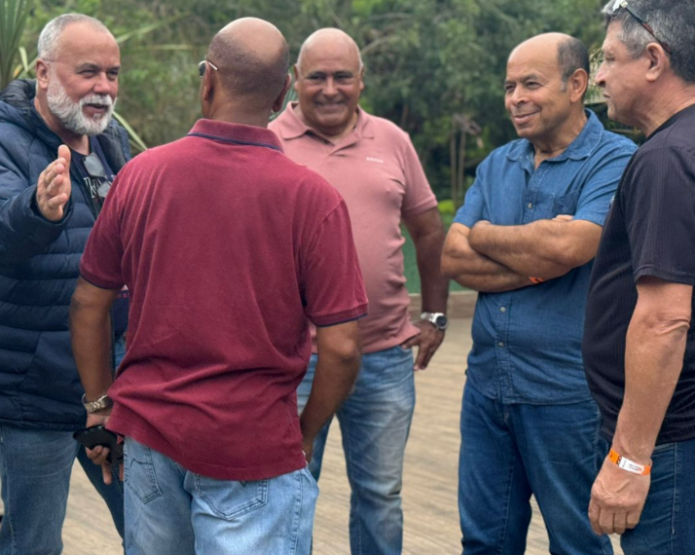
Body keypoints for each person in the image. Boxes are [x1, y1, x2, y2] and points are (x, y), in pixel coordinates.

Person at [70, 17, 367, 555]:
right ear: (282, 93)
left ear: (207, 80)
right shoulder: (313, 199)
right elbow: (343, 347)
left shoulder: (140, 177)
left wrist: (99, 406)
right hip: (255, 447)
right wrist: (305, 433)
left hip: (150, 440)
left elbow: (88, 304)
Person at [440, 33, 636, 555]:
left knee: (576, 544)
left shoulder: (616, 160)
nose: (516, 99)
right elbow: (453, 257)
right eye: (509, 87)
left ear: (577, 84)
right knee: (484, 541)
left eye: (531, 84)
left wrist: (483, 234)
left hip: (566, 394)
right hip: (486, 388)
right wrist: (535, 263)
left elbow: (570, 246)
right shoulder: (497, 164)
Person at [0, 13, 130, 554]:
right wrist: (34, 209)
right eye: (88, 72)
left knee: (153, 530)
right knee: (34, 543)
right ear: (44, 72)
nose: (104, 88)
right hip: (31, 388)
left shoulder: (113, 141)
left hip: (114, 385)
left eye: (112, 74)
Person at [269, 28, 448, 555]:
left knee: (380, 495)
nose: (330, 89)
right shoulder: (269, 142)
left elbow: (429, 230)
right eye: (317, 77)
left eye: (342, 76)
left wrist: (435, 315)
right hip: (295, 360)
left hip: (383, 355)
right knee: (289, 487)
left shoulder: (392, 140)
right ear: (294, 80)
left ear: (361, 80)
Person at [584, 1, 695, 552]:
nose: (599, 77)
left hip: (670, 444)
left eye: (608, 59)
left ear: (654, 60)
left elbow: (664, 320)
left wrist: (629, 460)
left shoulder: (667, 158)